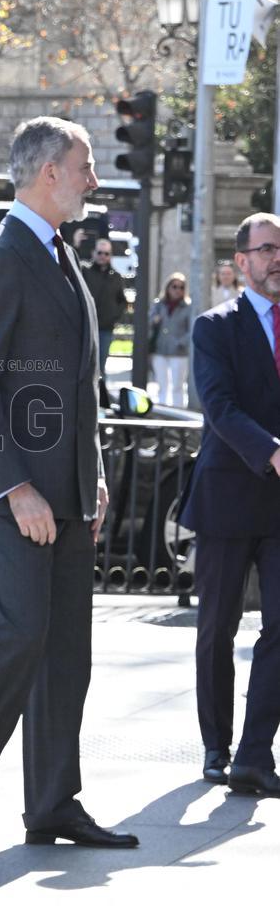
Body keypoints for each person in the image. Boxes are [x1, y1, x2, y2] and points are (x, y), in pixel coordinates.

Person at [0, 116, 138, 855]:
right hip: (10, 494)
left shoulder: (60, 253)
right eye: (84, 166)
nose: (92, 179)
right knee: (17, 636)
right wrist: (16, 486)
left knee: (66, 652)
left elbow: (80, 389)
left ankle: (52, 805)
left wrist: (93, 475)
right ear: (50, 171)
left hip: (69, 493)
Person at [178, 212, 280, 795]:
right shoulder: (214, 326)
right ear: (241, 262)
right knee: (217, 627)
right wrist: (272, 452)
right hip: (228, 495)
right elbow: (219, 406)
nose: (276, 259)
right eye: (266, 249)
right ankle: (216, 745)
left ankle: (255, 754)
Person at [83, 238, 127, 376]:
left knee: (100, 366)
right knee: (85, 364)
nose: (103, 256)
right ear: (93, 253)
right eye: (100, 252)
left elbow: (122, 301)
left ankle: (101, 390)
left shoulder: (116, 276)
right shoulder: (84, 271)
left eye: (106, 253)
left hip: (105, 328)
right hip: (85, 327)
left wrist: (113, 317)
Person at [148, 273, 191, 406]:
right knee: (162, 384)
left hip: (179, 352)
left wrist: (181, 342)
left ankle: (178, 411)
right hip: (159, 349)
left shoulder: (188, 307)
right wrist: (154, 320)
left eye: (181, 287)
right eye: (174, 286)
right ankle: (163, 410)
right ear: (168, 288)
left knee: (177, 386)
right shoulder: (159, 304)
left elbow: (191, 329)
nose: (178, 290)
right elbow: (148, 321)